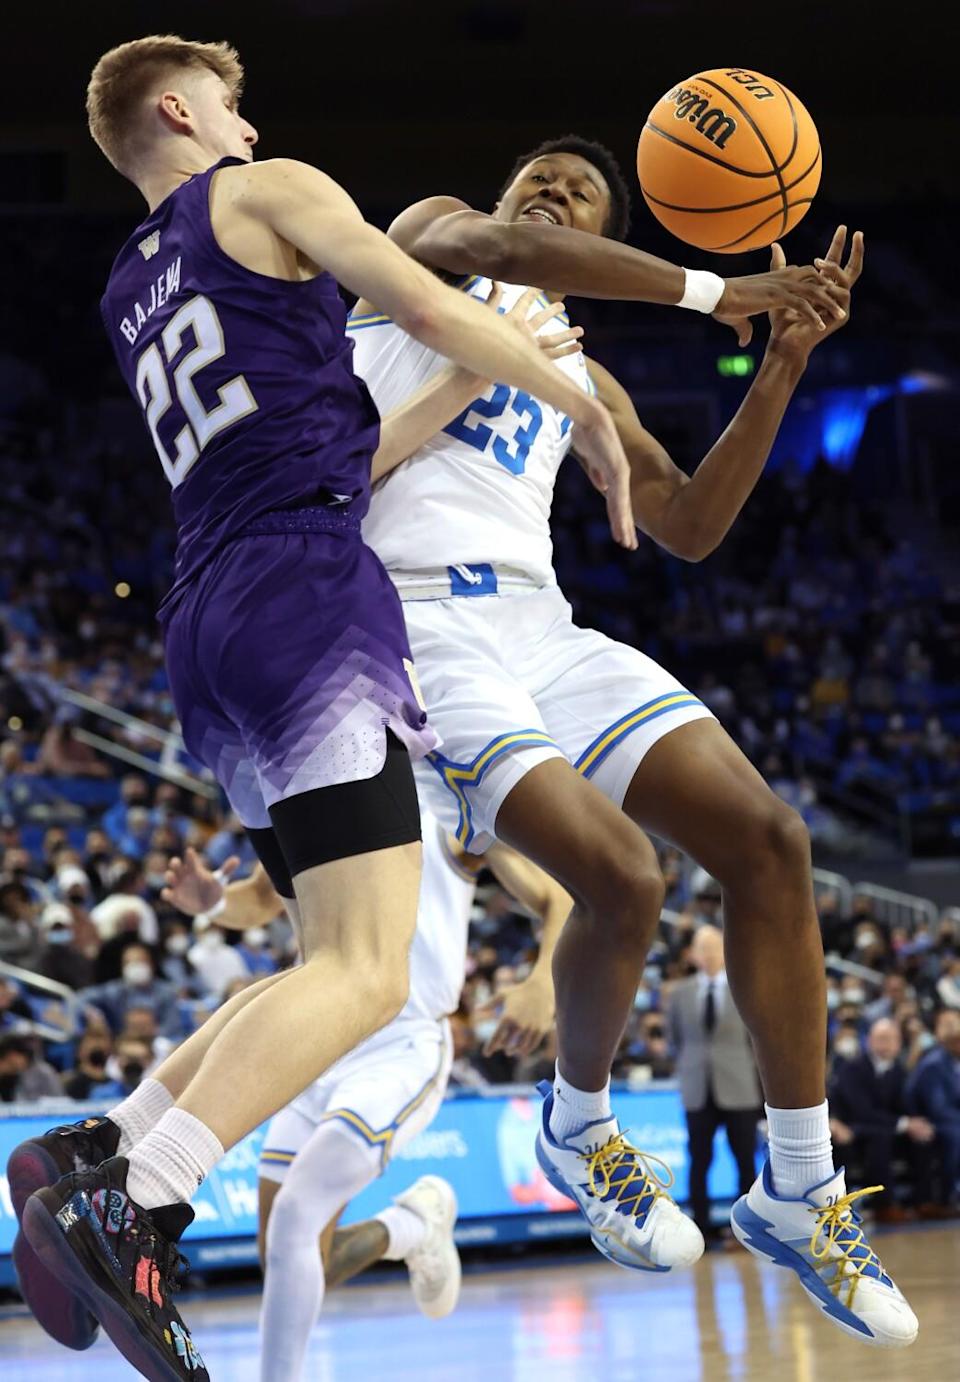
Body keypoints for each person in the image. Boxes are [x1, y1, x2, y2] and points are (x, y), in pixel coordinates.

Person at [12, 34, 638, 1381]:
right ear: (181, 112)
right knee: (364, 973)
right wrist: (562, 390)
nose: (252, 126)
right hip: (307, 595)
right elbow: (419, 299)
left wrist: (478, 378)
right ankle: (141, 1202)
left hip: (208, 613)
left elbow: (346, 440)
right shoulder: (268, 188)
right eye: (233, 107)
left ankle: (103, 1140)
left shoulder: (132, 283)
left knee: (320, 953)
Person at [350, 140, 916, 1344]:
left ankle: (799, 1183)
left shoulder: (588, 381)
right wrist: (721, 289)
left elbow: (694, 526)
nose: (555, 193)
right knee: (623, 875)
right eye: (542, 179)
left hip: (538, 623)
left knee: (768, 839)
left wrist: (780, 365)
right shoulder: (428, 237)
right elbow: (500, 250)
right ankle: (580, 1121)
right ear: (505, 193)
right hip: (418, 622)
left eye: (584, 192)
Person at [160, 811, 569, 1382]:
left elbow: (559, 899)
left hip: (400, 1043)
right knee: (284, 1254)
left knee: (296, 1224)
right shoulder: (316, 786)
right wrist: (211, 903)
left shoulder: (452, 794)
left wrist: (543, 980)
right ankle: (410, 1227)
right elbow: (258, 897)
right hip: (317, 1036)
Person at [667, 925, 760, 1245]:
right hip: (697, 1088)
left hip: (739, 1087)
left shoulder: (744, 987)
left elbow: (755, 1039)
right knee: (699, 1160)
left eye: (714, 948)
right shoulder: (679, 993)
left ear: (725, 951)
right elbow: (674, 1039)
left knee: (745, 1159)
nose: (708, 955)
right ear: (693, 954)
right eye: (702, 949)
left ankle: (747, 1231)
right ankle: (700, 1230)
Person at [828, 1018, 935, 1221]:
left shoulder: (898, 1071)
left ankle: (924, 1201)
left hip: (885, 1127)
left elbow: (904, 1106)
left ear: (899, 1043)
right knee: (880, 1139)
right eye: (881, 1039)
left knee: (923, 1138)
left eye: (891, 1039)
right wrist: (904, 1124)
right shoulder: (853, 1068)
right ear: (869, 1041)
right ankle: (884, 1205)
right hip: (853, 1128)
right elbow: (861, 1111)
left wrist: (915, 1123)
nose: (886, 1044)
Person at [906, 1009, 960, 1210]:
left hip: (952, 1118)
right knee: (956, 1136)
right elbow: (938, 1108)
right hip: (931, 1120)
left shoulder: (955, 1062)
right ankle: (949, 1195)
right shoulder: (934, 1063)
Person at [80, 942, 184, 1040]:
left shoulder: (166, 991)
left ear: (151, 965)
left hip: (158, 1045)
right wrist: (94, 1014)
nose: (135, 967)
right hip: (121, 1046)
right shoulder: (114, 991)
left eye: (139, 961)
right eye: (129, 963)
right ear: (123, 968)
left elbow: (173, 1028)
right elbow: (80, 999)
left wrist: (148, 1034)